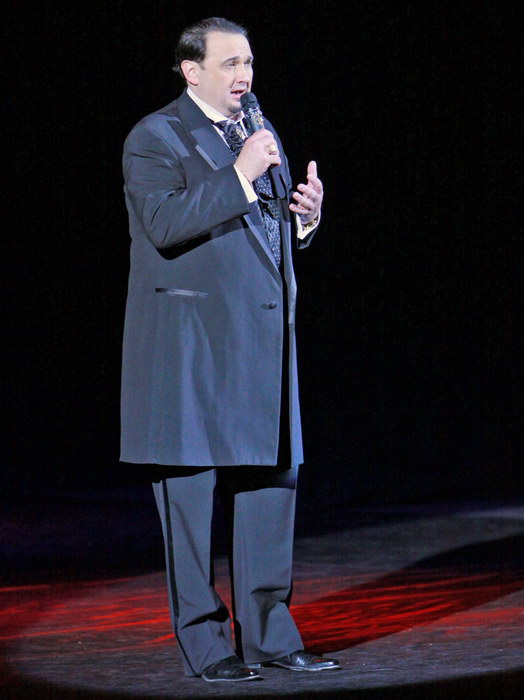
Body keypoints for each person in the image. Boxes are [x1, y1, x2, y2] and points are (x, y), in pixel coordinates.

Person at [121, 17, 339, 682]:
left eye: (248, 63)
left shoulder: (256, 130)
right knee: (190, 507)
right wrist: (240, 175)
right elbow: (163, 225)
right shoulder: (156, 136)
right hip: (189, 353)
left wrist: (305, 219)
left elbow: (261, 236)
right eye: (229, 64)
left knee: (269, 493)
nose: (244, 76)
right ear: (192, 72)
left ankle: (270, 637)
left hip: (260, 347)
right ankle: (208, 646)